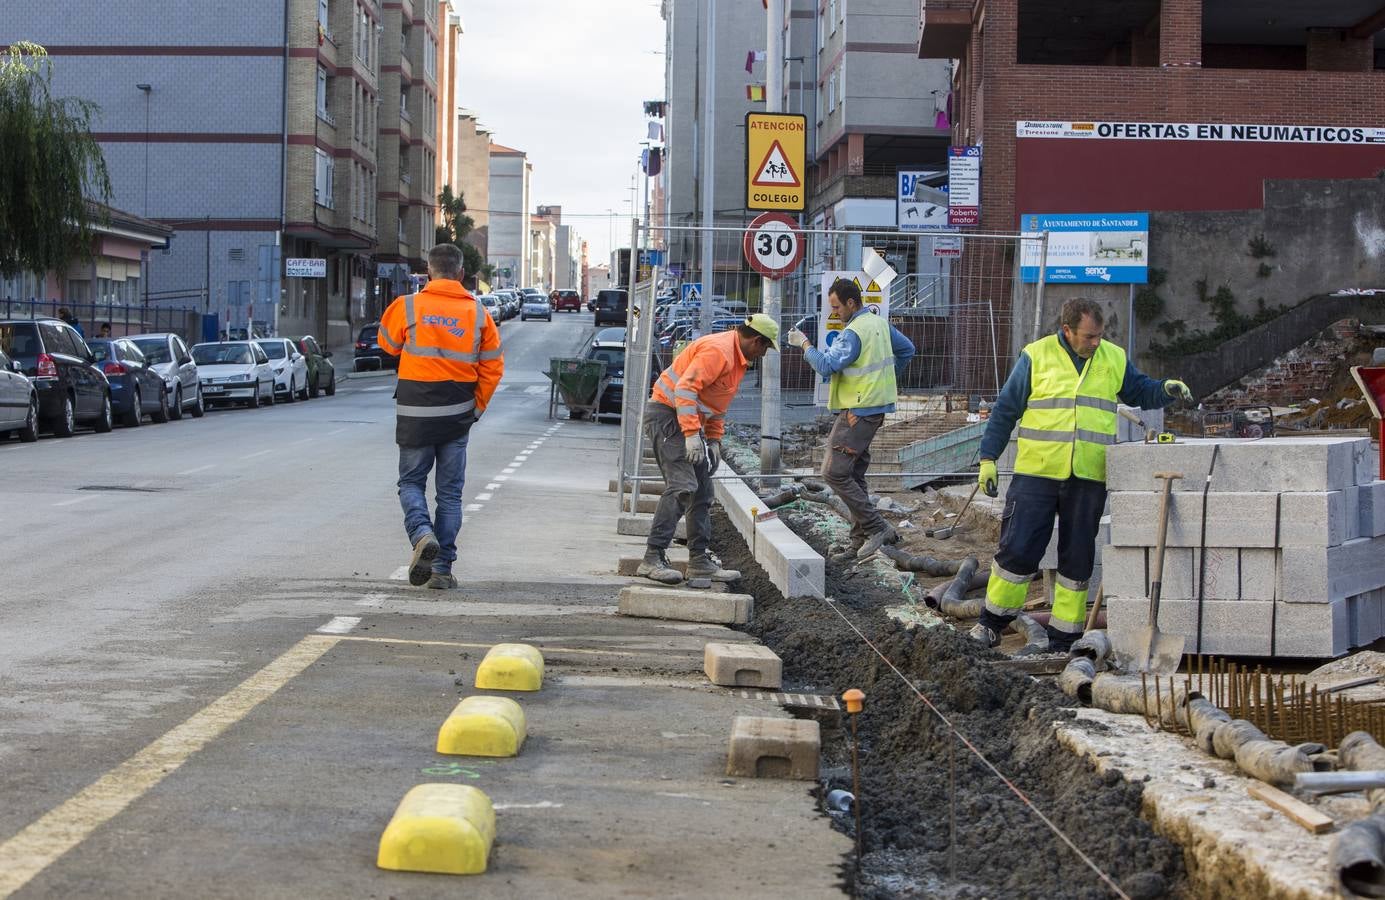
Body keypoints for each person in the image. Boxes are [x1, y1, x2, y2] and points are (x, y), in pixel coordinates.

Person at [970, 298, 1193, 651]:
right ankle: (991, 623)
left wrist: (1166, 389)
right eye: (1089, 337)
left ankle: (1063, 636)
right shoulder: (1036, 355)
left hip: (1088, 476)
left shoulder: (1113, 358)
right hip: (1037, 471)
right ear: (1067, 331)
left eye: (1100, 336)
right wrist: (988, 457)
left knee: (1077, 558)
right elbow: (1006, 409)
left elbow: (1140, 391)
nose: (1095, 343)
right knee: (1018, 550)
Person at [378, 244, 504, 591]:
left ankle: (421, 534)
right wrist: (476, 408)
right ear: (462, 274)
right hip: (457, 412)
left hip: (415, 410)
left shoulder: (407, 306)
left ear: (429, 272)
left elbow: (387, 344)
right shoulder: (479, 314)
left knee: (411, 482)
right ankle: (442, 569)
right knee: (449, 494)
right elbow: (493, 367)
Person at [637, 315, 779, 585]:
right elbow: (686, 389)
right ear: (756, 340)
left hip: (684, 420)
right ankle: (652, 557)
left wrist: (714, 440)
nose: (764, 354)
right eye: (765, 348)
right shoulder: (719, 351)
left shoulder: (737, 361)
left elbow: (715, 404)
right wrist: (691, 435)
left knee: (702, 491)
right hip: (666, 416)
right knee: (683, 486)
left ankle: (700, 561)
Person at [785, 279, 916, 562]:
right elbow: (908, 350)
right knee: (854, 475)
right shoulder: (879, 324)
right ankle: (857, 544)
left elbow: (826, 365)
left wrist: (804, 343)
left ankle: (878, 528)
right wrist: (886, 380)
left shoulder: (853, 333)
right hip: (874, 408)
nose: (835, 313)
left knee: (833, 472)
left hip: (859, 411)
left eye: (836, 307)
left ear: (851, 303)